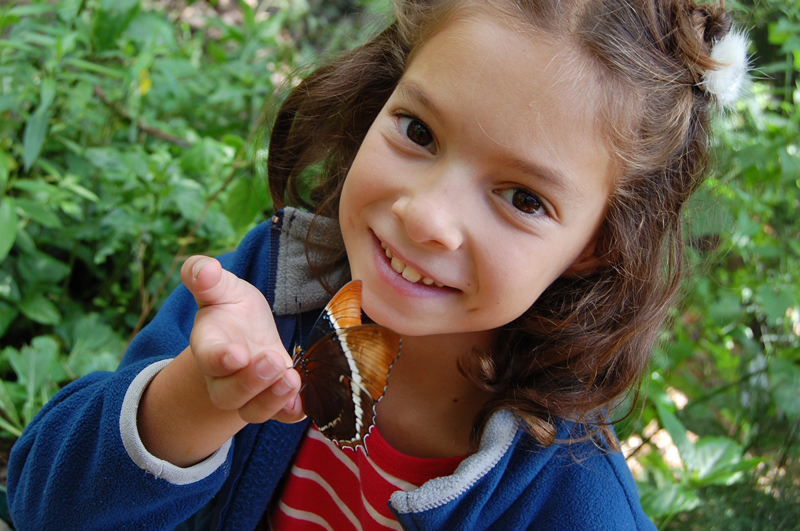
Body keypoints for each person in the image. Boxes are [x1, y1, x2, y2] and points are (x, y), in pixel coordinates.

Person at [7, 0, 748, 529]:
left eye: (522, 197)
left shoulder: (568, 501)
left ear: (596, 242)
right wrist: (192, 403)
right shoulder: (273, 290)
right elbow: (42, 504)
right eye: (419, 130)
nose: (426, 215)